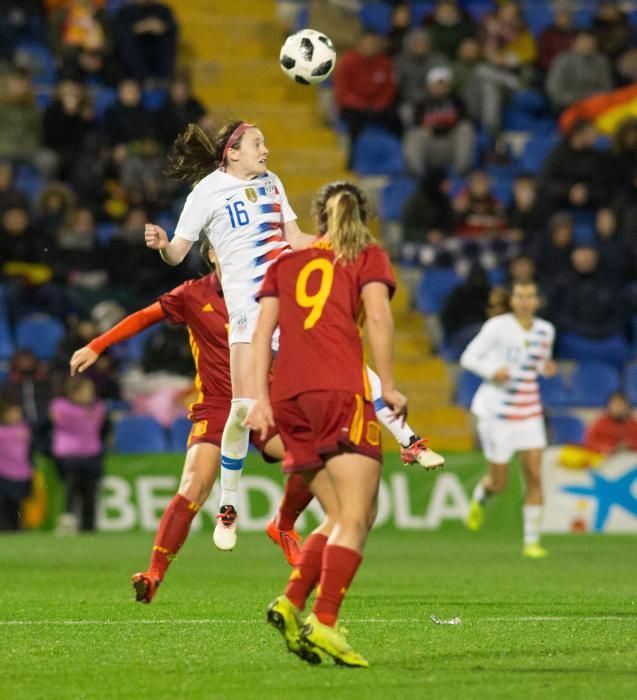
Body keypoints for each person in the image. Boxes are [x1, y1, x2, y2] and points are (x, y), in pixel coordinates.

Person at [71, 240, 441, 602]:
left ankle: (282, 525)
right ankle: (153, 574)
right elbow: (143, 318)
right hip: (218, 405)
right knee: (194, 485)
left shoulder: (270, 290)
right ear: (213, 254)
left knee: (317, 453)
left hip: (267, 401)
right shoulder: (192, 294)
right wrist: (96, 345)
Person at [247, 181, 408, 668]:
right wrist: (392, 386)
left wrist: (258, 400)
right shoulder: (367, 256)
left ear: (318, 220)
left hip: (287, 397)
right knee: (359, 516)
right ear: (361, 218)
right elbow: (378, 319)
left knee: (338, 515)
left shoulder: (285, 263)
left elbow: (260, 334)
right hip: (339, 392)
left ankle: (293, 602)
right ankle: (325, 622)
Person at [144, 120, 314, 552]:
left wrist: (335, 243)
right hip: (245, 314)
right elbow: (179, 252)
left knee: (324, 402)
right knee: (242, 408)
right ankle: (229, 505)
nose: (267, 150)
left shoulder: (273, 182)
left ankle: (286, 519)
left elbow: (294, 238)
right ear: (233, 152)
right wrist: (163, 243)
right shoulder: (206, 191)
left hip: (283, 303)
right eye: (259, 143)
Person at [460, 280, 557, 559]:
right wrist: (492, 370)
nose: (525, 301)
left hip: (529, 412)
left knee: (535, 476)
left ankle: (531, 541)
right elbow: (468, 357)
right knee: (499, 482)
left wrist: (546, 368)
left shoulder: (545, 330)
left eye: (530, 296)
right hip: (497, 414)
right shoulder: (497, 327)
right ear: (512, 300)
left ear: (537, 301)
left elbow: (536, 362)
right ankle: (481, 495)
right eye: (520, 296)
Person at [50, 375, 107, 533]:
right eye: (86, 390)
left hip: (92, 455)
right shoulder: (60, 406)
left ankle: (89, 527)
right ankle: (67, 522)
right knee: (71, 489)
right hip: (70, 456)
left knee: (90, 493)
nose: (90, 394)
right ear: (72, 392)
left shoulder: (97, 407)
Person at [0, 395, 33, 531]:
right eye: (13, 412)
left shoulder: (25, 429)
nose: (17, 415)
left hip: (22, 473)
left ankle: (17, 530)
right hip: (3, 473)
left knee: (18, 505)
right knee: (4, 505)